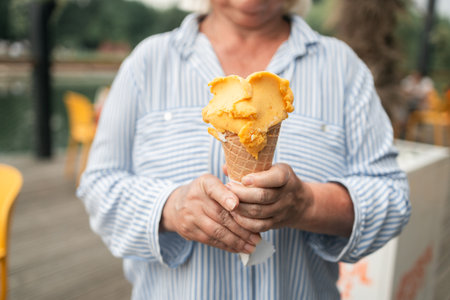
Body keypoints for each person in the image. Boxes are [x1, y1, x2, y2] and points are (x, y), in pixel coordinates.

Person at [77, 0, 411, 298]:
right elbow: (99, 186)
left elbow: (392, 198)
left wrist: (306, 204)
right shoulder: (147, 63)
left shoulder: (343, 68)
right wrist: (170, 207)